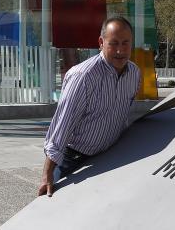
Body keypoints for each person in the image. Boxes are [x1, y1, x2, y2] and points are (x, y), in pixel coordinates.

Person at [38, 16, 141, 197]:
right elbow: (63, 125)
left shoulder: (134, 73)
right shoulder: (83, 77)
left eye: (126, 43)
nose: (120, 50)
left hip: (109, 156)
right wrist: (47, 175)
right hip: (72, 161)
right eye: (114, 43)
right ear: (101, 42)